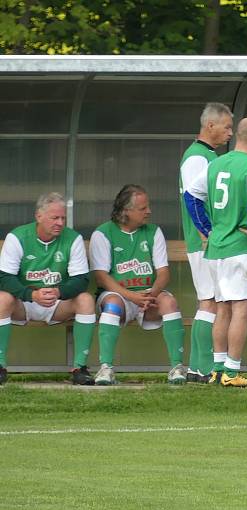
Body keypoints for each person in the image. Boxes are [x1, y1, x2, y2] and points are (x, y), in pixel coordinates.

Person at [185, 117, 247, 388]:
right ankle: (232, 371)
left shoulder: (215, 164)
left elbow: (191, 195)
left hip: (217, 250)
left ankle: (217, 369)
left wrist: (208, 230)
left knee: (222, 310)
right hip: (241, 250)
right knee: (241, 310)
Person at [89, 185, 187, 385]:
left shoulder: (153, 232)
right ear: (126, 211)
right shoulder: (103, 233)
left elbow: (163, 273)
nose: (149, 211)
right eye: (143, 208)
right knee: (113, 305)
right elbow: (101, 277)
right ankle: (106, 368)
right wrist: (132, 297)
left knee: (169, 302)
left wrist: (152, 294)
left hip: (149, 295)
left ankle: (177, 368)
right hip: (118, 295)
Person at [0, 193, 96, 386]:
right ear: (39, 216)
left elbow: (81, 279)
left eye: (63, 218)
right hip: (24, 302)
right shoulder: (18, 237)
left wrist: (60, 292)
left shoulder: (73, 238)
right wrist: (31, 294)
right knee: (2, 299)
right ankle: (0, 365)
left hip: (57, 303)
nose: (60, 223)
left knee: (86, 300)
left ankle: (79, 368)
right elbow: (4, 277)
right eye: (55, 218)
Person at [179, 102, 233, 383]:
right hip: (205, 243)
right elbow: (194, 199)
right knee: (209, 302)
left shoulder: (207, 156)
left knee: (210, 301)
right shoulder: (197, 158)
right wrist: (206, 235)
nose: (230, 133)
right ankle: (200, 367)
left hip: (209, 242)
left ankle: (198, 367)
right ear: (210, 125)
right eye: (226, 127)